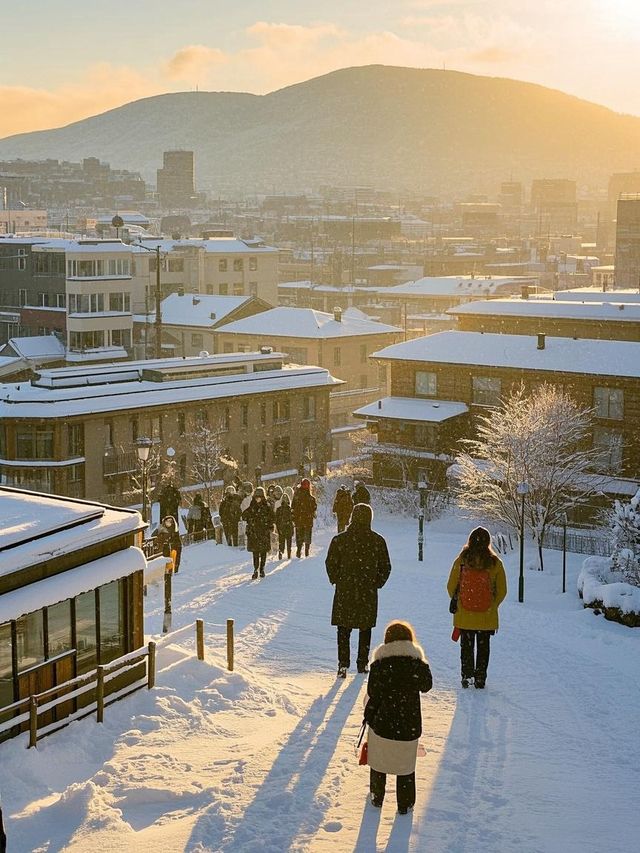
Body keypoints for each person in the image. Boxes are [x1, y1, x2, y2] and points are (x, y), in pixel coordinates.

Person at [365, 620, 433, 815]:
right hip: (408, 724)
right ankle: (405, 804)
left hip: (382, 723)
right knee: (406, 765)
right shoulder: (416, 663)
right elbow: (427, 685)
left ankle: (377, 797)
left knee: (379, 761)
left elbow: (373, 691)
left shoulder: (380, 663)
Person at [325, 503, 391, 676]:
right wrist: (377, 583)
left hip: (345, 590)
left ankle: (343, 664)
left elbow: (330, 563)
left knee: (343, 629)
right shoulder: (377, 540)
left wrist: (337, 579)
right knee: (365, 628)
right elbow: (386, 567)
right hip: (367, 592)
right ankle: (362, 664)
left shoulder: (339, 540)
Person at [446, 526, 507, 689]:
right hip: (486, 616)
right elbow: (502, 590)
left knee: (466, 646)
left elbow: (451, 586)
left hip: (464, 614)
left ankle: (467, 675)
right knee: (483, 646)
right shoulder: (495, 563)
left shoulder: (462, 561)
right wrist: (492, 604)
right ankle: (480, 678)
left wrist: (461, 600)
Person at [242, 486, 275, 579]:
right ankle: (256, 569)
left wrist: (269, 525)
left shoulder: (266, 507)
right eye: (256, 497)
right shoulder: (252, 506)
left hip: (263, 533)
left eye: (259, 497)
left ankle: (262, 569)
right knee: (255, 553)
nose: (258, 499)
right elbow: (244, 516)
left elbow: (272, 517)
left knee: (263, 552)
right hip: (254, 533)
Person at [291, 478, 317, 557]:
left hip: (299, 520)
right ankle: (306, 551)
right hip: (307, 520)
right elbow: (314, 507)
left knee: (299, 536)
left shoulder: (297, 495)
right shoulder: (311, 498)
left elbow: (293, 507)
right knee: (307, 535)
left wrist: (294, 517)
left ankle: (299, 550)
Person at [275, 493, 294, 559]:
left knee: (281, 542)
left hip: (282, 528)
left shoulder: (279, 510)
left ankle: (281, 553)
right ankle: (288, 554)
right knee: (288, 542)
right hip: (288, 527)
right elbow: (292, 519)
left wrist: (278, 528)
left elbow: (276, 520)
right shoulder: (290, 509)